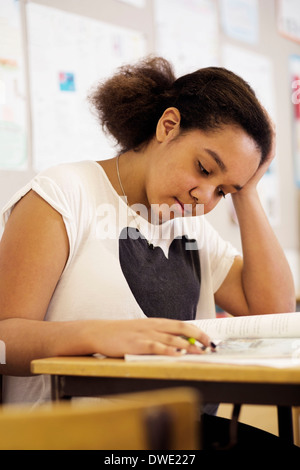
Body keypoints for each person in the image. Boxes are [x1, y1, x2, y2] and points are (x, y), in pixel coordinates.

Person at [0, 56, 297, 449]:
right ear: (168, 126)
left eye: (223, 192)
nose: (205, 199)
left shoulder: (188, 225)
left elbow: (273, 312)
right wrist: (101, 335)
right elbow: (4, 338)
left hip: (176, 434)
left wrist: (249, 191)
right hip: (80, 435)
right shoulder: (63, 194)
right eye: (206, 169)